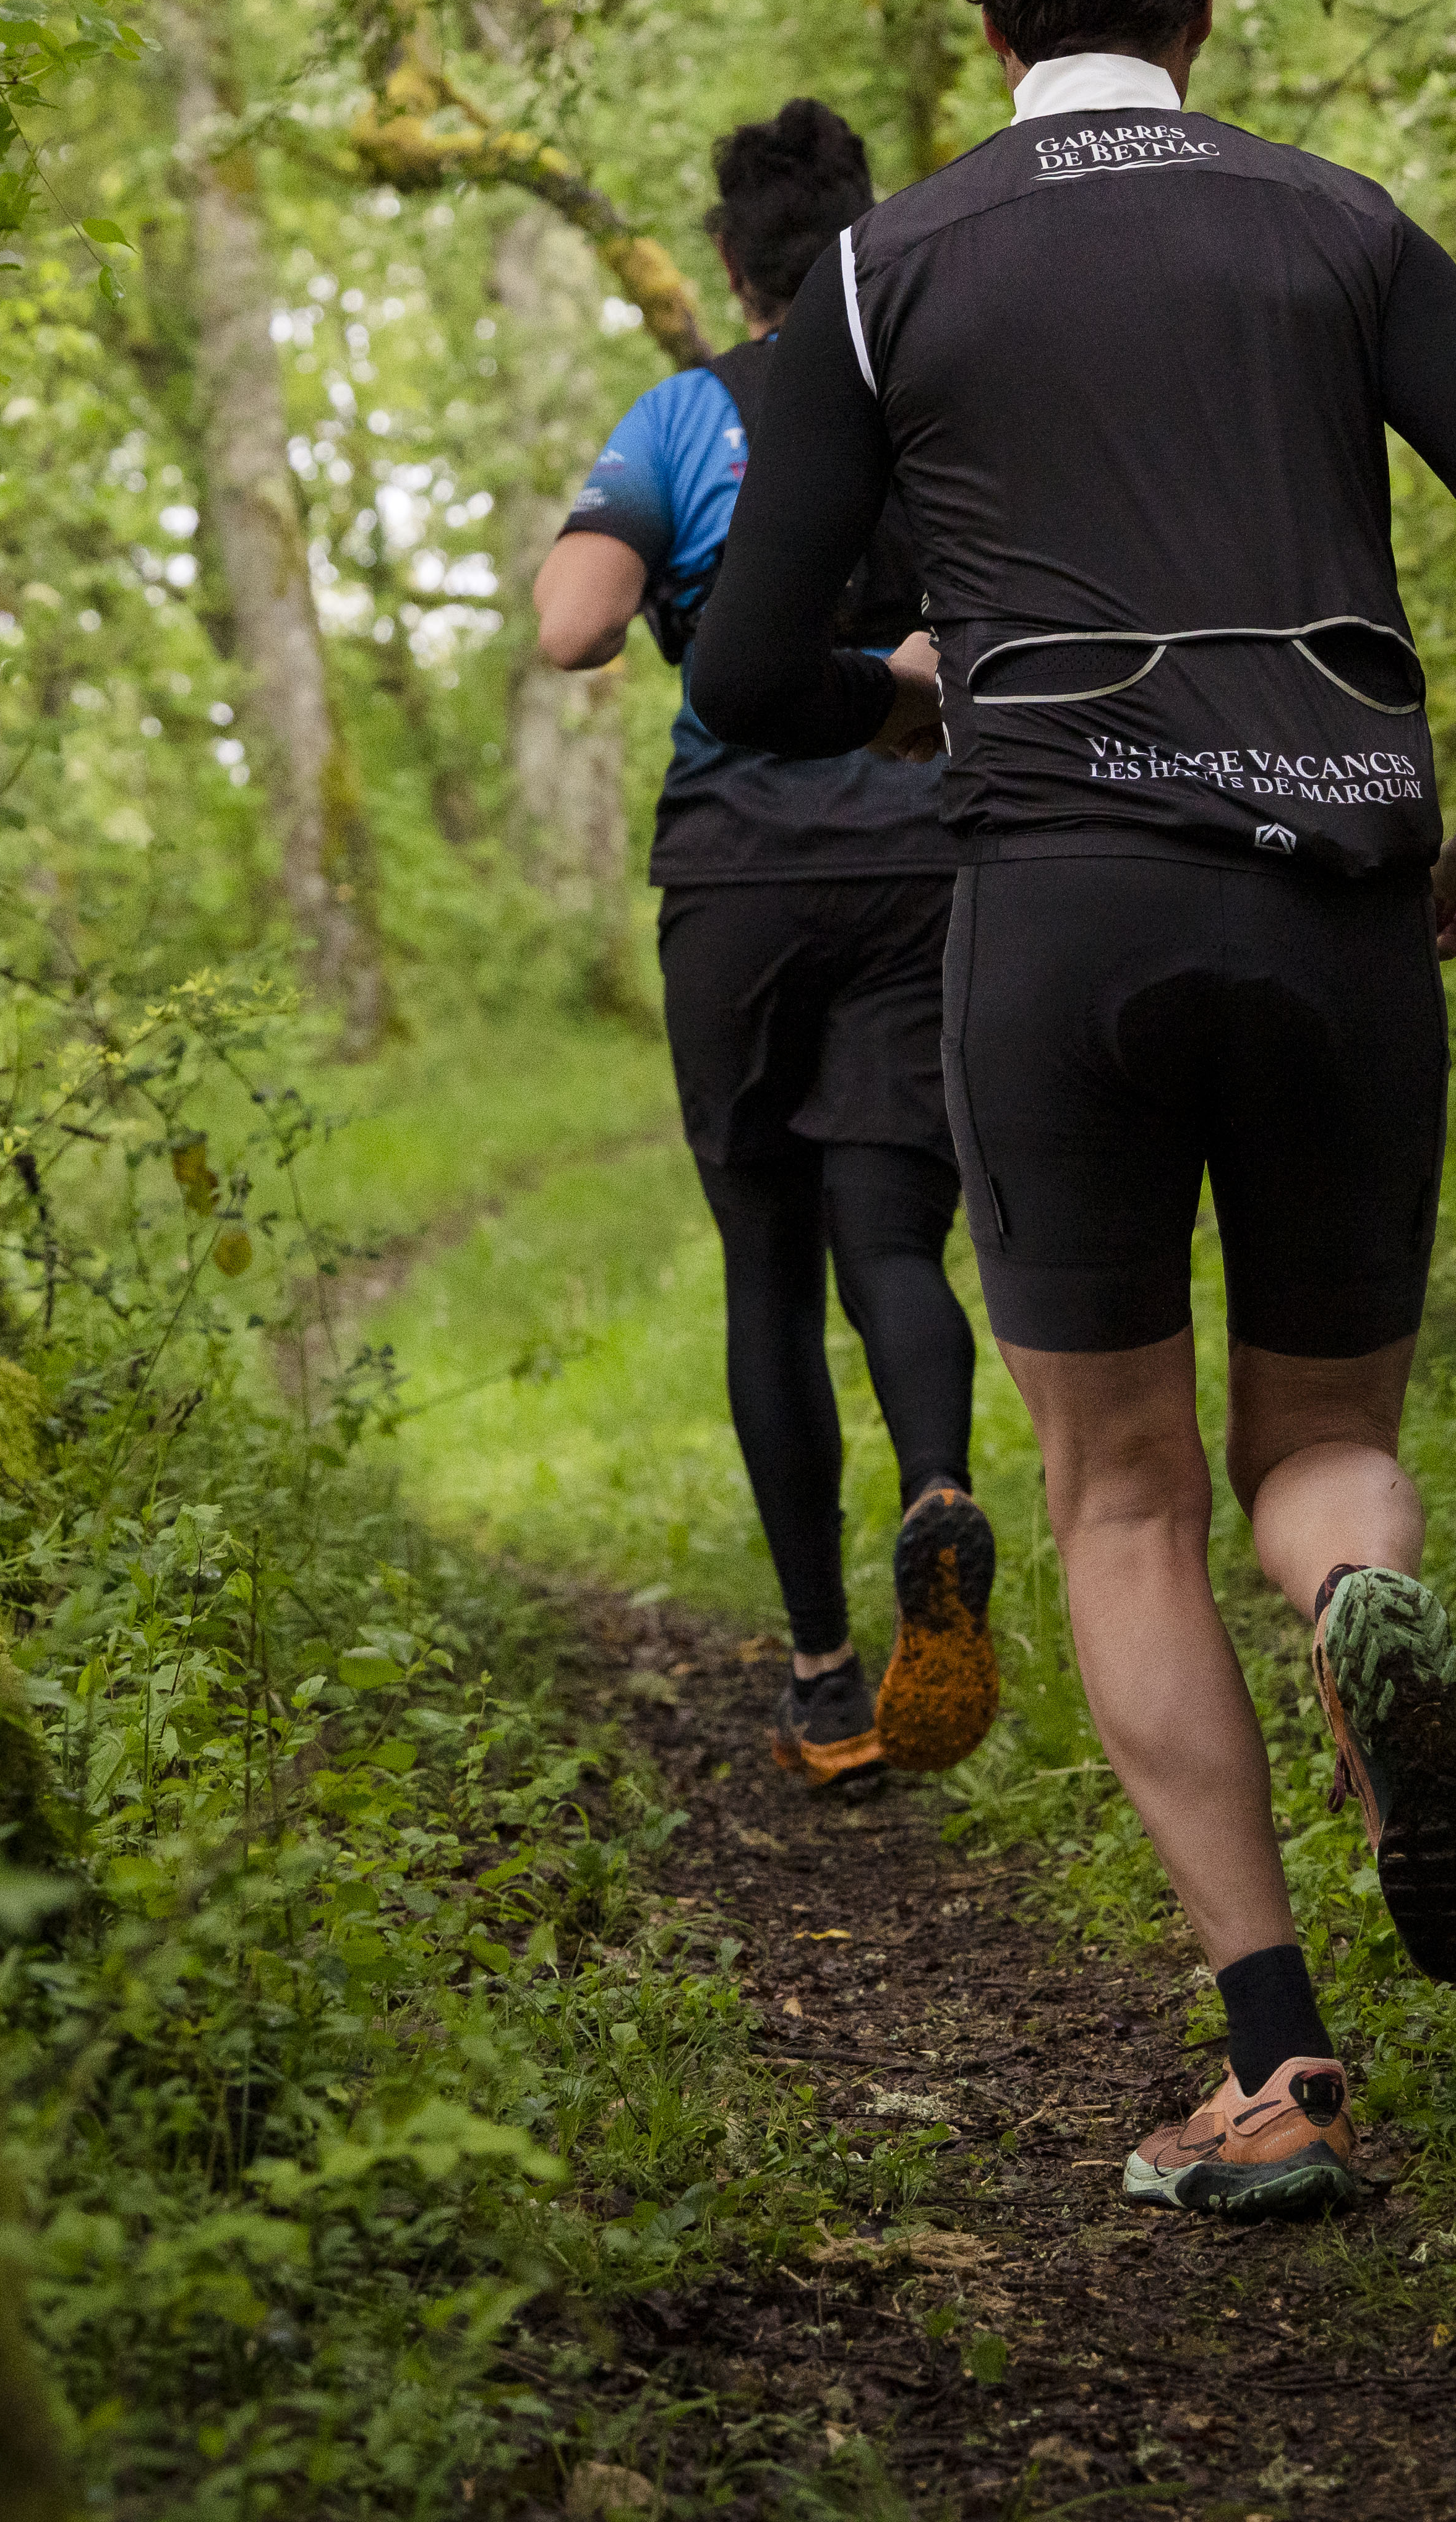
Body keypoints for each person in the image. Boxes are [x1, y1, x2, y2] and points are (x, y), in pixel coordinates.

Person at [688, 0, 1456, 2218]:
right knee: (1325, 1443)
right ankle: (1363, 1602)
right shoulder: (1335, 225)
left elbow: (744, 665)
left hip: (1060, 921)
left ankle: (1278, 2071)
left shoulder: (881, 272)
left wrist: (911, 692)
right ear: (1203, 13)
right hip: (1340, 907)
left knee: (1118, 1496)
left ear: (989, 23)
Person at [531, 100, 1000, 1798]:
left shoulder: (686, 414)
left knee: (766, 1268)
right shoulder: (935, 399)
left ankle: (822, 1684)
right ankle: (939, 1494)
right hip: (922, 860)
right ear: (870, 235)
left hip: (735, 876)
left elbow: (575, 627)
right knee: (894, 1240)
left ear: (731, 264)